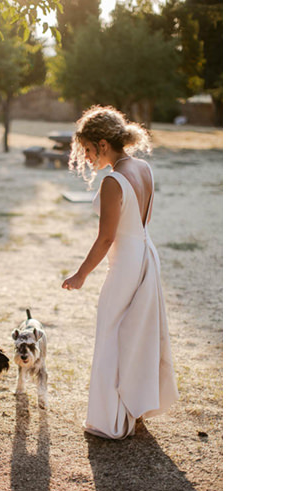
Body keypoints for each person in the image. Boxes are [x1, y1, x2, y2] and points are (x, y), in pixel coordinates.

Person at [62, 105, 178, 439]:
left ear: (101, 143)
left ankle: (111, 419)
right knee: (136, 335)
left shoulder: (113, 180)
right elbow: (143, 220)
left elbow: (107, 237)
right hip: (145, 254)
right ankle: (133, 407)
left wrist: (81, 274)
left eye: (87, 150)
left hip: (126, 262)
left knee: (111, 334)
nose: (86, 158)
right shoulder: (143, 168)